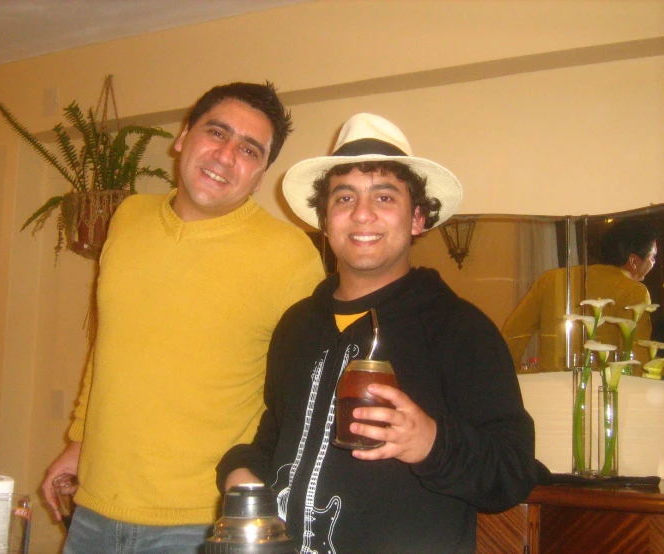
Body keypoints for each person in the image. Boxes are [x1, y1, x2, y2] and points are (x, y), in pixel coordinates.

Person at [217, 113, 536, 553]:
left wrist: (430, 442)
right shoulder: (296, 326)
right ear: (325, 221)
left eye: (384, 197)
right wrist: (240, 471)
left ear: (417, 219)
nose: (362, 214)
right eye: (344, 198)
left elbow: (513, 473)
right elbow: (277, 436)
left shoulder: (462, 329)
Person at [40, 82, 325, 554]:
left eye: (249, 150)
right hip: (92, 510)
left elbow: (307, 395)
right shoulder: (128, 217)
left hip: (203, 523)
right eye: (217, 132)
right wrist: (78, 441)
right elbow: (110, 345)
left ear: (260, 175)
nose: (225, 155)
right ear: (183, 136)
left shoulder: (290, 257)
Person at [502, 219, 659, 371]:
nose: (653, 263)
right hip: (603, 390)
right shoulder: (635, 291)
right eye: (652, 257)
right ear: (633, 261)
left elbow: (513, 334)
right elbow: (639, 357)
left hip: (549, 387)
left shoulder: (550, 279)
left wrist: (510, 380)